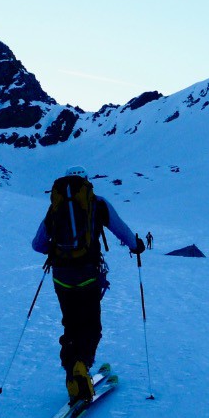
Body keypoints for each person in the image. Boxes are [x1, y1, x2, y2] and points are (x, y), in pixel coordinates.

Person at [32, 165, 144, 404]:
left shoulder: (56, 206)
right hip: (88, 275)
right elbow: (120, 229)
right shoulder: (97, 202)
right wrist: (136, 245)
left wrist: (58, 250)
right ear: (86, 182)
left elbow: (38, 244)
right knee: (91, 326)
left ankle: (73, 373)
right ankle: (81, 366)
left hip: (61, 277)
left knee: (70, 325)